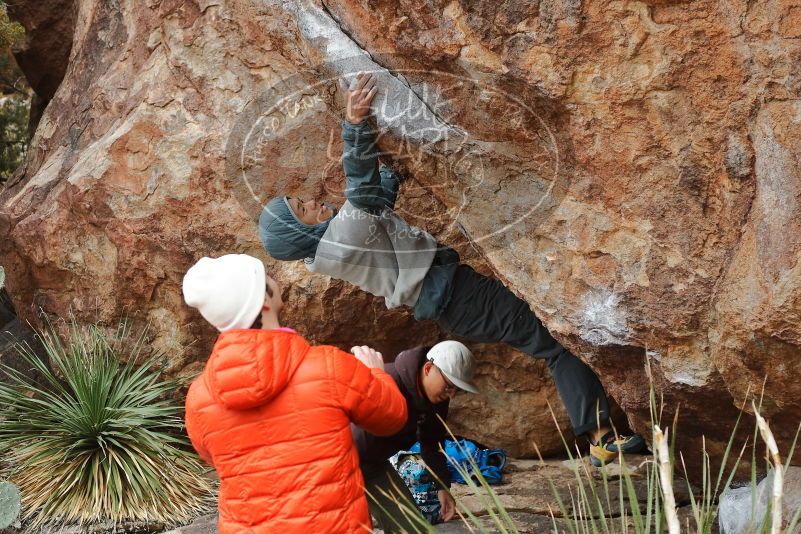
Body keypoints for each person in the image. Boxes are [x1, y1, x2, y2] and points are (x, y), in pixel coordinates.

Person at [258, 72, 645, 466]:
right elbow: (361, 191)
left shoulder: (335, 243)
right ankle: (601, 438)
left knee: (553, 341)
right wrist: (355, 124)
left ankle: (599, 434)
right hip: (459, 297)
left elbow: (375, 203)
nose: (314, 203)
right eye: (304, 210)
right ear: (300, 234)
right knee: (556, 344)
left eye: (303, 200)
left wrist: (394, 170)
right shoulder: (338, 242)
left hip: (454, 297)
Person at [181, 253, 408, 533]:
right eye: (266, 277)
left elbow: (213, 456)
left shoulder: (199, 397)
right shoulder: (328, 366)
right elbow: (392, 417)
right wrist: (375, 372)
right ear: (263, 300)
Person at [353, 340, 478, 532]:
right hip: (339, 464)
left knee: (411, 528)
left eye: (457, 390)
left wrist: (442, 486)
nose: (452, 395)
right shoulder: (387, 379)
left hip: (374, 466)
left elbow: (432, 442)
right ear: (428, 368)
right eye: (449, 386)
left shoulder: (435, 400)